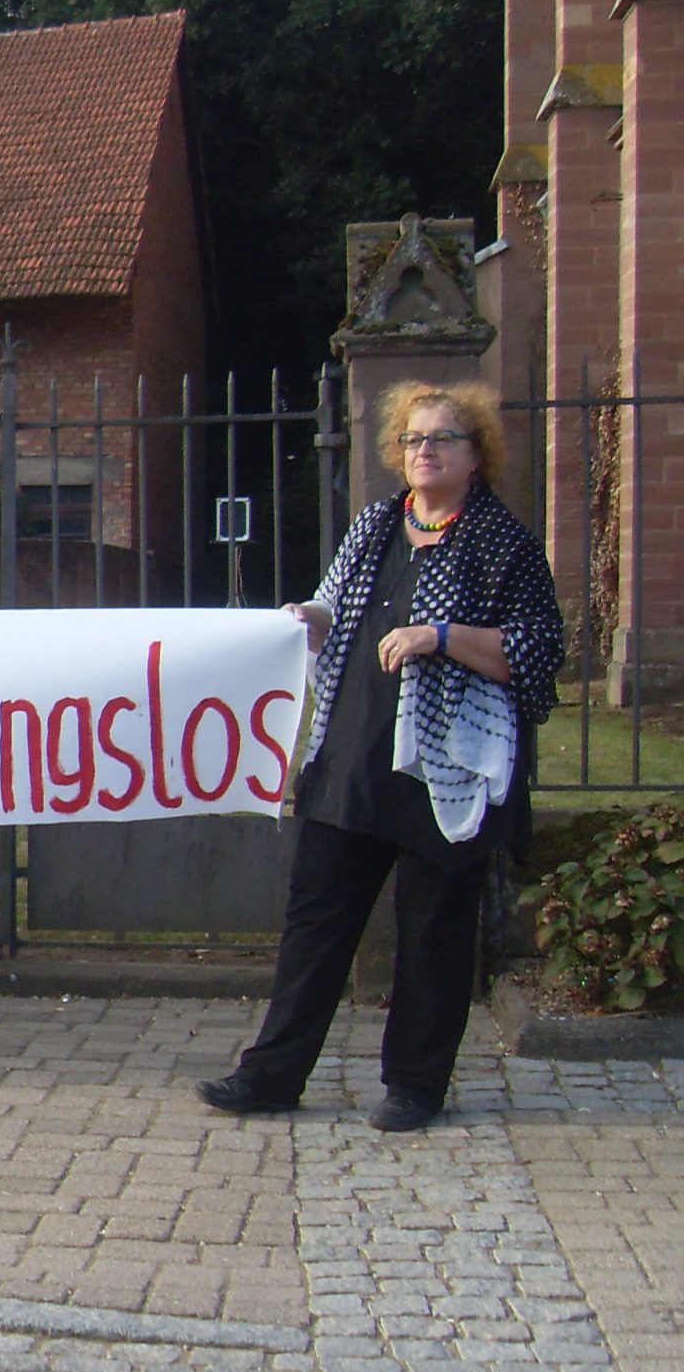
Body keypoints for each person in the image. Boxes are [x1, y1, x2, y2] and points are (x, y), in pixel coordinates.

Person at [198, 382, 564, 1132]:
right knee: (315, 925)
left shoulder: (504, 543)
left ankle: (416, 1087)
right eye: (413, 440)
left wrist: (442, 636)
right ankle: (271, 1075)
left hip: (444, 775)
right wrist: (309, 617)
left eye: (442, 439)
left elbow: (537, 651)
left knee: (433, 934)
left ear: (476, 455)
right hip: (353, 760)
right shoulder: (374, 525)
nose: (423, 451)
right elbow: (337, 606)